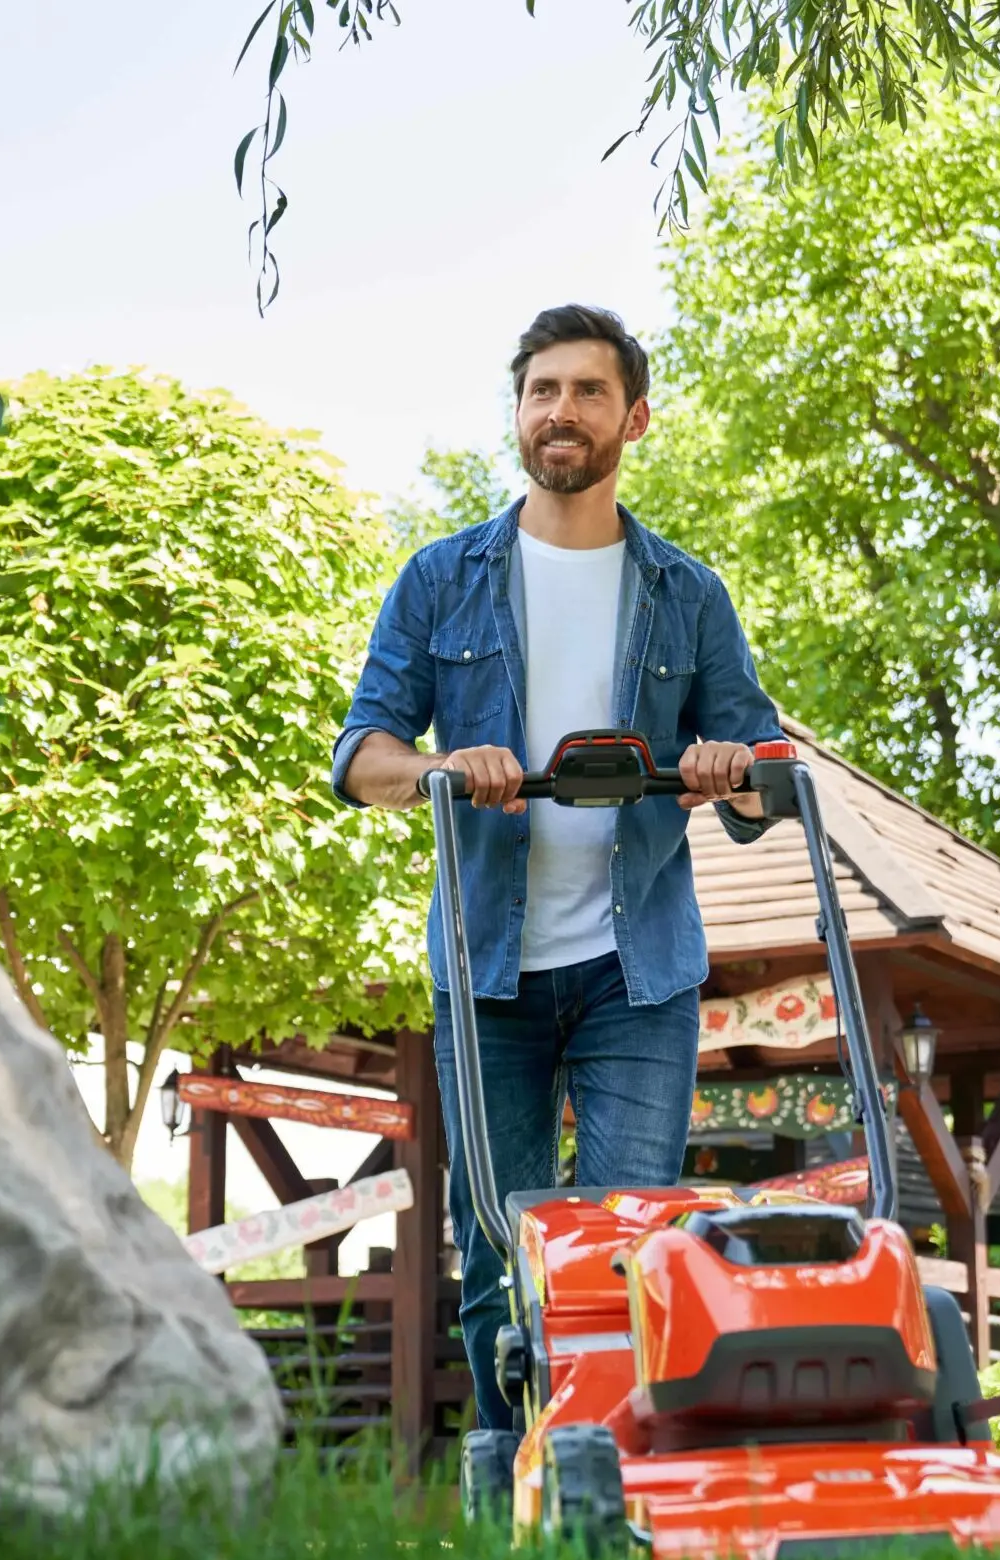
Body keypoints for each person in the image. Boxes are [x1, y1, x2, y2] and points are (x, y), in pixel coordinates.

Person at [330, 304, 785, 1433]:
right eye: (541, 391)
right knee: (498, 1252)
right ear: (518, 414)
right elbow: (361, 755)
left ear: (635, 417)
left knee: (637, 1238)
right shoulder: (443, 579)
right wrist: (443, 767)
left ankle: (629, 1481)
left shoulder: (689, 593)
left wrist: (728, 767)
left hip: (639, 972)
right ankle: (511, 1481)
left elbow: (770, 772)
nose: (560, 412)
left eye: (586, 391)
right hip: (489, 977)